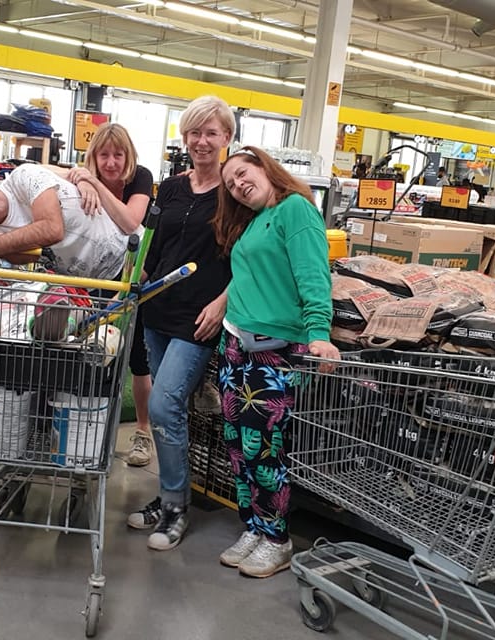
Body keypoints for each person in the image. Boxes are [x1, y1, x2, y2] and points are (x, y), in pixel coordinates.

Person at [211, 145, 339, 578]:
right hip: (235, 346)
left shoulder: (295, 209)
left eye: (243, 173)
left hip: (276, 351)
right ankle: (253, 526)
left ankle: (277, 539)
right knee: (237, 446)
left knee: (264, 449)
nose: (238, 185)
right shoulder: (253, 222)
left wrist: (319, 332)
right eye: (231, 184)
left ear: (265, 168)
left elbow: (313, 274)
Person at [126, 95, 234, 552]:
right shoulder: (169, 188)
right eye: (194, 132)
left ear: (227, 137)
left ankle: (175, 506)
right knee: (171, 409)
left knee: (165, 404)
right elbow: (153, 246)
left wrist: (223, 303)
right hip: (157, 309)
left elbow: (247, 258)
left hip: (199, 318)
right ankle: (170, 493)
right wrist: (136, 279)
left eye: (211, 132)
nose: (201, 141)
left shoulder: (235, 193)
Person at [46, 123, 156, 467]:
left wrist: (93, 184)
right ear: (93, 156)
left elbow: (130, 221)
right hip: (88, 276)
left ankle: (143, 431)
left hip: (131, 274)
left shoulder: (140, 177)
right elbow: (38, 171)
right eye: (103, 155)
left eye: (118, 155)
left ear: (129, 155)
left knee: (137, 357)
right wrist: (79, 178)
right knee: (83, 350)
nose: (110, 163)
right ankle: (74, 425)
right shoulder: (83, 174)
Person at [0, 163, 129, 280]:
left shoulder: (23, 177)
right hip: (95, 287)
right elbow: (27, 256)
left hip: (129, 257)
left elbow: (52, 229)